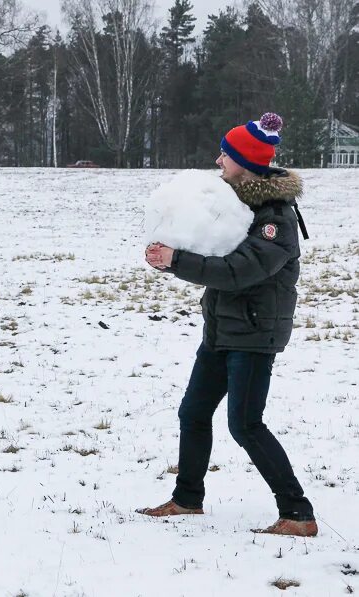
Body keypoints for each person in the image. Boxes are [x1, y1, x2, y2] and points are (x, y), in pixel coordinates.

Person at [138, 112, 316, 537]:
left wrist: (177, 261)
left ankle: (298, 513)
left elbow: (239, 270)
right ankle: (187, 500)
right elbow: (212, 252)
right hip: (222, 330)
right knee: (194, 412)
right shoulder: (233, 204)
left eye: (226, 153)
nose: (219, 159)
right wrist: (170, 255)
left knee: (245, 424)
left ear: (245, 161)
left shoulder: (275, 217)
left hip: (254, 334)